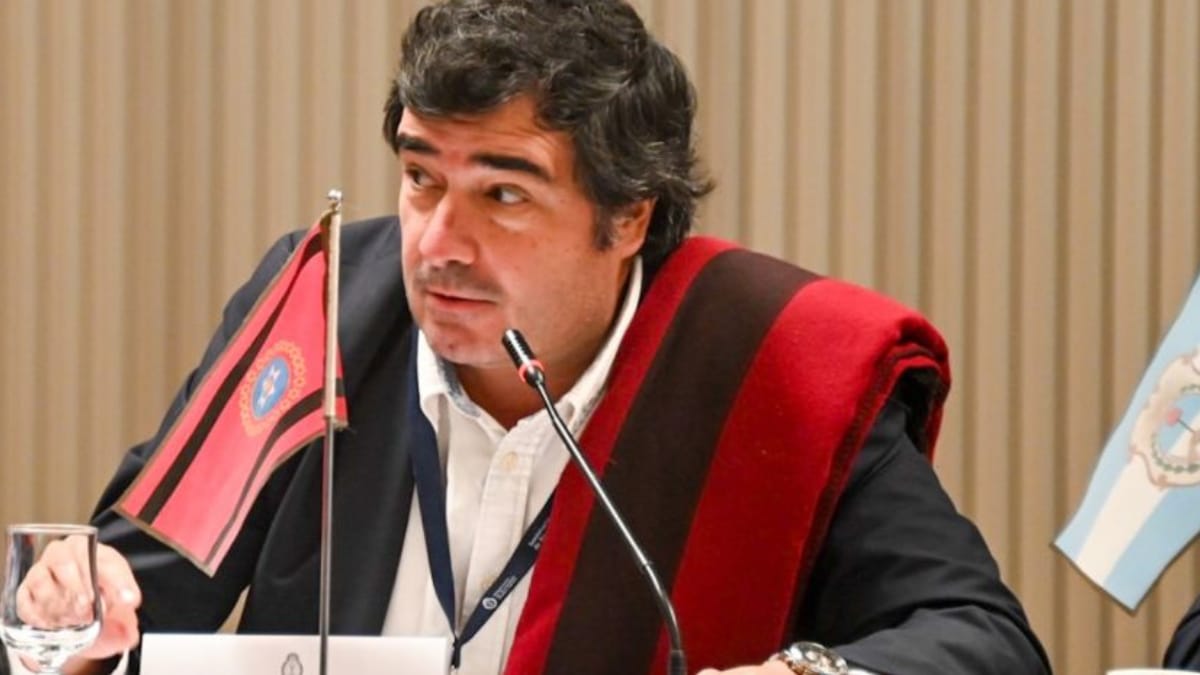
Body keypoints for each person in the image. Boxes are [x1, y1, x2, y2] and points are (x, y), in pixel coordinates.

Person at [16, 1, 1050, 674]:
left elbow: (985, 641)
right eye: (421, 177)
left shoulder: (767, 362)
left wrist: (810, 671)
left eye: (503, 194)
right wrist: (71, 602)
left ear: (629, 216)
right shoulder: (320, 307)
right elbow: (131, 591)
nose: (438, 244)